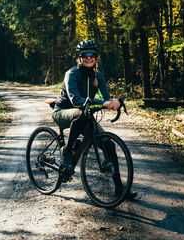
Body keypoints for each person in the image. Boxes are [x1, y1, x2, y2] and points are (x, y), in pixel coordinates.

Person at [52, 40, 137, 200]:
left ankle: (120, 189)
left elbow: (106, 97)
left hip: (84, 114)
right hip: (63, 112)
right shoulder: (72, 74)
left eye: (91, 55)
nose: (88, 58)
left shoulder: (98, 76)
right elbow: (76, 99)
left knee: (109, 144)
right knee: (80, 113)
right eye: (84, 55)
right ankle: (68, 150)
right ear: (80, 57)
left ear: (95, 57)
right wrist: (101, 103)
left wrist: (113, 103)